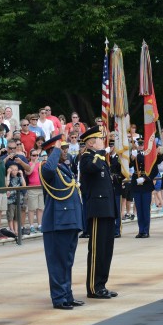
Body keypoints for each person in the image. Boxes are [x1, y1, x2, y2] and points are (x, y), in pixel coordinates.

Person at [39, 134, 84, 310]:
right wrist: (55, 150)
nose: (66, 152)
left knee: (67, 261)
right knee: (57, 262)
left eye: (64, 149)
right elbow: (49, 169)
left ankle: (67, 295)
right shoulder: (47, 167)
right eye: (62, 149)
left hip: (69, 221)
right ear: (53, 152)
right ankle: (59, 298)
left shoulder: (64, 168)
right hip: (57, 223)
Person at [78, 126, 118, 299]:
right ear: (91, 143)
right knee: (96, 250)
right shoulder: (87, 158)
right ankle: (93, 287)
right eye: (100, 139)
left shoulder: (99, 158)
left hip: (107, 209)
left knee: (106, 249)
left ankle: (101, 284)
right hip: (96, 210)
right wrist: (101, 153)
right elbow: (92, 168)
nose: (104, 142)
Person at [130, 139, 160, 238]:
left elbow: (154, 170)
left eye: (142, 144)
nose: (141, 146)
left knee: (146, 209)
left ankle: (146, 230)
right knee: (139, 208)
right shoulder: (134, 154)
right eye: (139, 144)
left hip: (146, 185)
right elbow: (129, 166)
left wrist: (145, 178)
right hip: (136, 184)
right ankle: (140, 230)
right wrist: (132, 158)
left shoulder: (149, 155)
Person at [25, 148, 44, 234]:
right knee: (32, 208)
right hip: (32, 188)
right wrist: (34, 163)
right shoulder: (28, 164)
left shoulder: (40, 164)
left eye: (37, 155)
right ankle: (31, 225)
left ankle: (40, 225)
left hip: (41, 187)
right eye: (33, 155)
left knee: (40, 208)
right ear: (30, 156)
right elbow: (29, 172)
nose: (35, 157)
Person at [5, 163, 26, 237]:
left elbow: (24, 185)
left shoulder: (19, 178)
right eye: (13, 170)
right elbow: (6, 184)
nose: (14, 171)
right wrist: (8, 173)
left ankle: (16, 230)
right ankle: (12, 229)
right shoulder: (8, 177)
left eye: (16, 170)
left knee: (16, 217)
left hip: (18, 199)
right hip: (10, 200)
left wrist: (22, 175)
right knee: (11, 216)